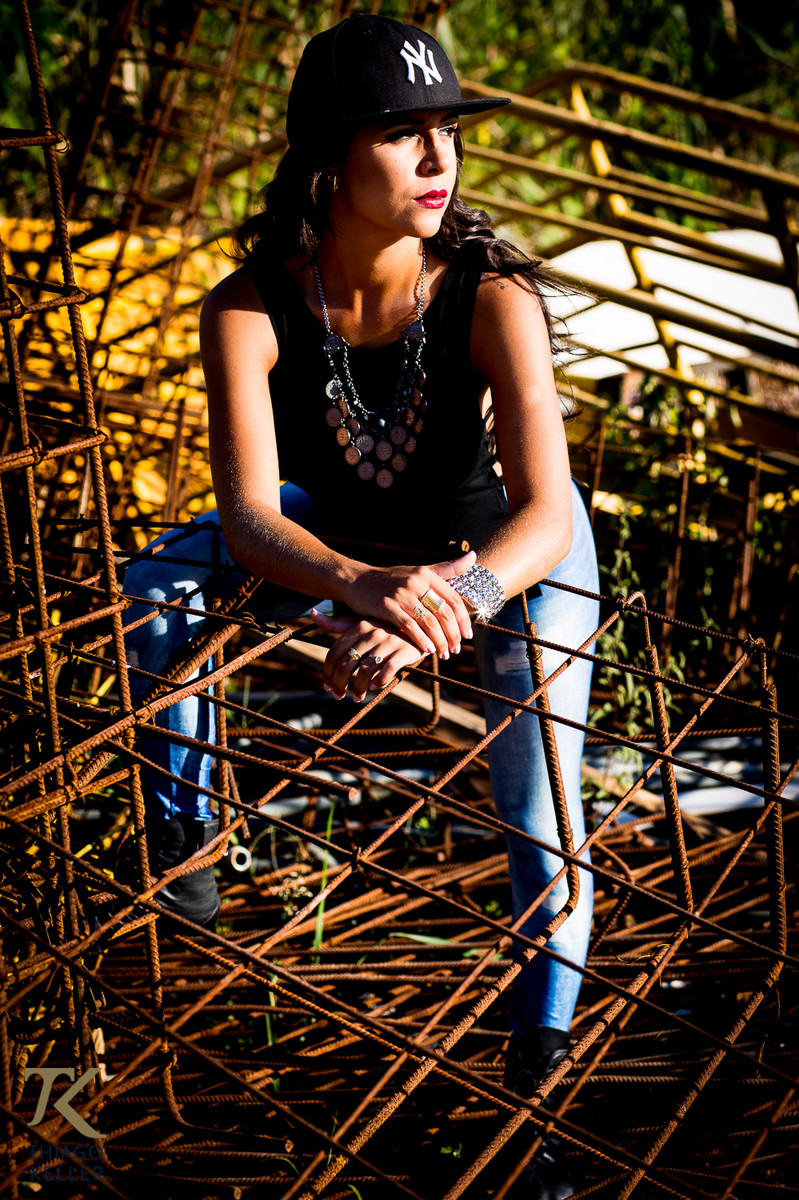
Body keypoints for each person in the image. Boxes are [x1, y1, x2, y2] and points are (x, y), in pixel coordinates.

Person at [121, 14, 599, 1197]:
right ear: (330, 159)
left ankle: (538, 1077)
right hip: (344, 544)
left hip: (497, 554)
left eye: (447, 132)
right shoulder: (248, 308)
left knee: (540, 806)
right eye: (402, 134)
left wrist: (438, 606)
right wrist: (352, 587)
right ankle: (188, 848)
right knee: (156, 585)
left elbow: (547, 515)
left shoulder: (493, 296)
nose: (440, 160)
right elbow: (247, 516)